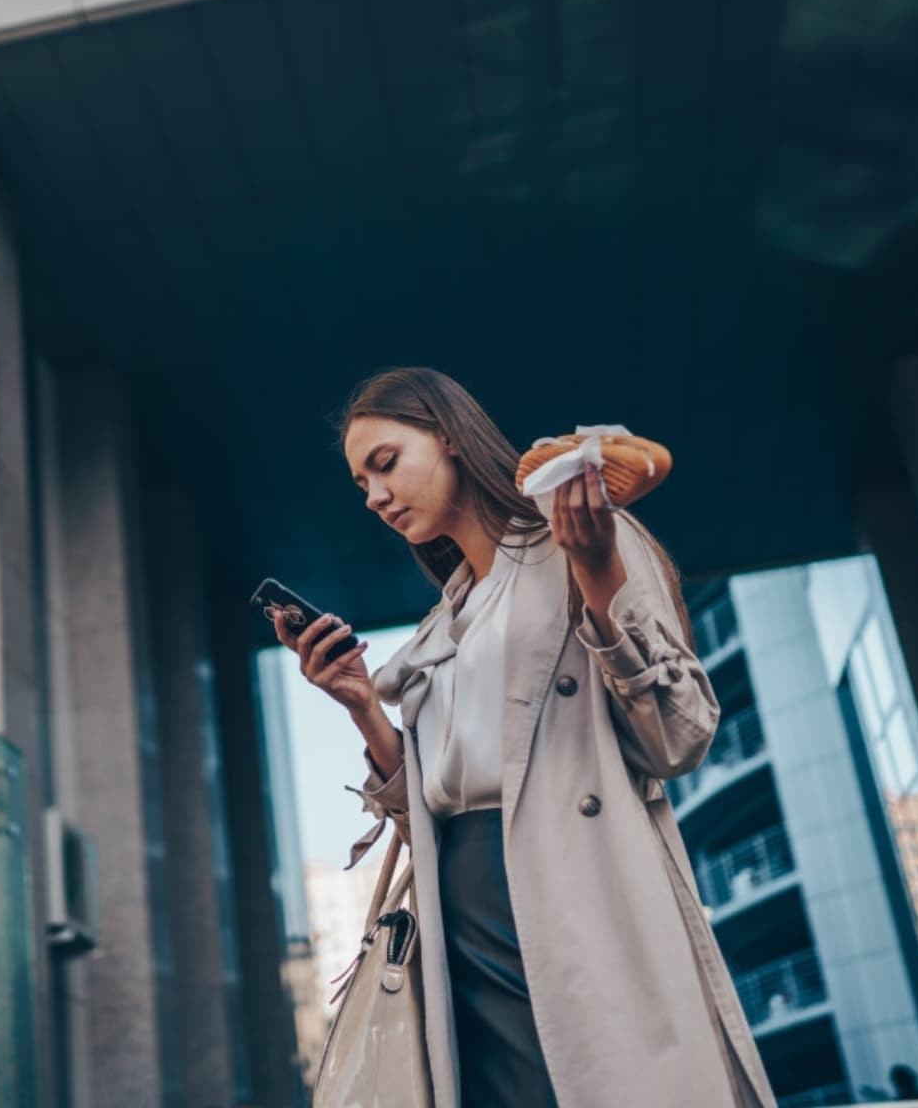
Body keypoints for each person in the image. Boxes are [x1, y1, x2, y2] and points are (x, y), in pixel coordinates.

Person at [271, 367, 776, 1108]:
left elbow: (679, 739)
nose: (375, 496)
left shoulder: (588, 542)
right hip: (461, 935)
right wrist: (360, 706)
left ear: (449, 437)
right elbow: (426, 819)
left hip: (578, 903)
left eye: (385, 464)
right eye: (360, 484)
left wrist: (600, 577)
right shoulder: (441, 628)